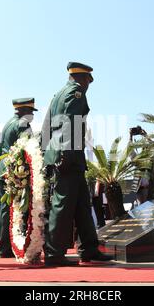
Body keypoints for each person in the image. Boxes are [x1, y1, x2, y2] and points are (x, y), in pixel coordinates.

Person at [42, 62, 112, 266]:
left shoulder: (58, 95)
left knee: (82, 204)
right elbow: (71, 123)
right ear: (83, 78)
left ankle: (89, 249)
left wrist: (46, 153)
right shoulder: (76, 93)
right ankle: (54, 253)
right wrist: (66, 154)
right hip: (69, 154)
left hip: (64, 153)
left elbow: (46, 126)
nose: (88, 85)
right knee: (62, 204)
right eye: (88, 81)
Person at [0, 98, 37, 258]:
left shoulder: (8, 123)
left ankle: (3, 246)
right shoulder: (22, 124)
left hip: (3, 169)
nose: (32, 115)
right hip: (14, 170)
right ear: (24, 110)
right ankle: (8, 247)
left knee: (5, 210)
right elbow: (29, 148)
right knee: (15, 210)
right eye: (31, 112)